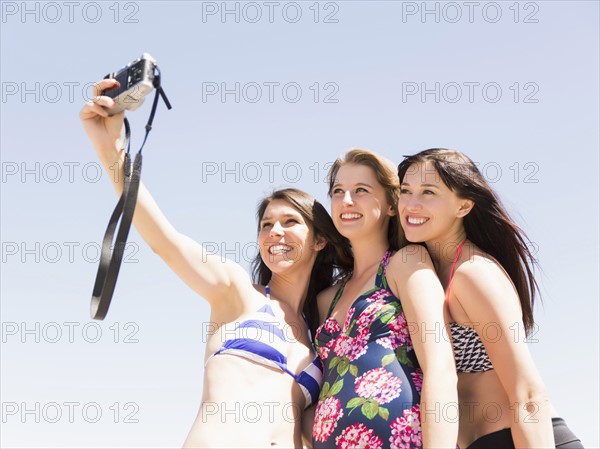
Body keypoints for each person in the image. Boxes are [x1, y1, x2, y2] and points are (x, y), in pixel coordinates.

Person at [79, 78, 352, 448]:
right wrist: (110, 148)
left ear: (320, 239)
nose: (275, 232)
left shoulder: (319, 332)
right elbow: (166, 242)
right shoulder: (237, 291)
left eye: (290, 222)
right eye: (266, 224)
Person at [397, 148, 584, 449]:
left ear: (464, 205)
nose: (411, 204)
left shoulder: (473, 274)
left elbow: (528, 394)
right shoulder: (426, 272)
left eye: (428, 192)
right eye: (405, 191)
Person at [312, 149, 458, 449]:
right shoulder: (326, 298)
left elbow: (440, 368)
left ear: (393, 205)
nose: (346, 200)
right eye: (338, 191)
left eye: (361, 190)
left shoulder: (406, 264)